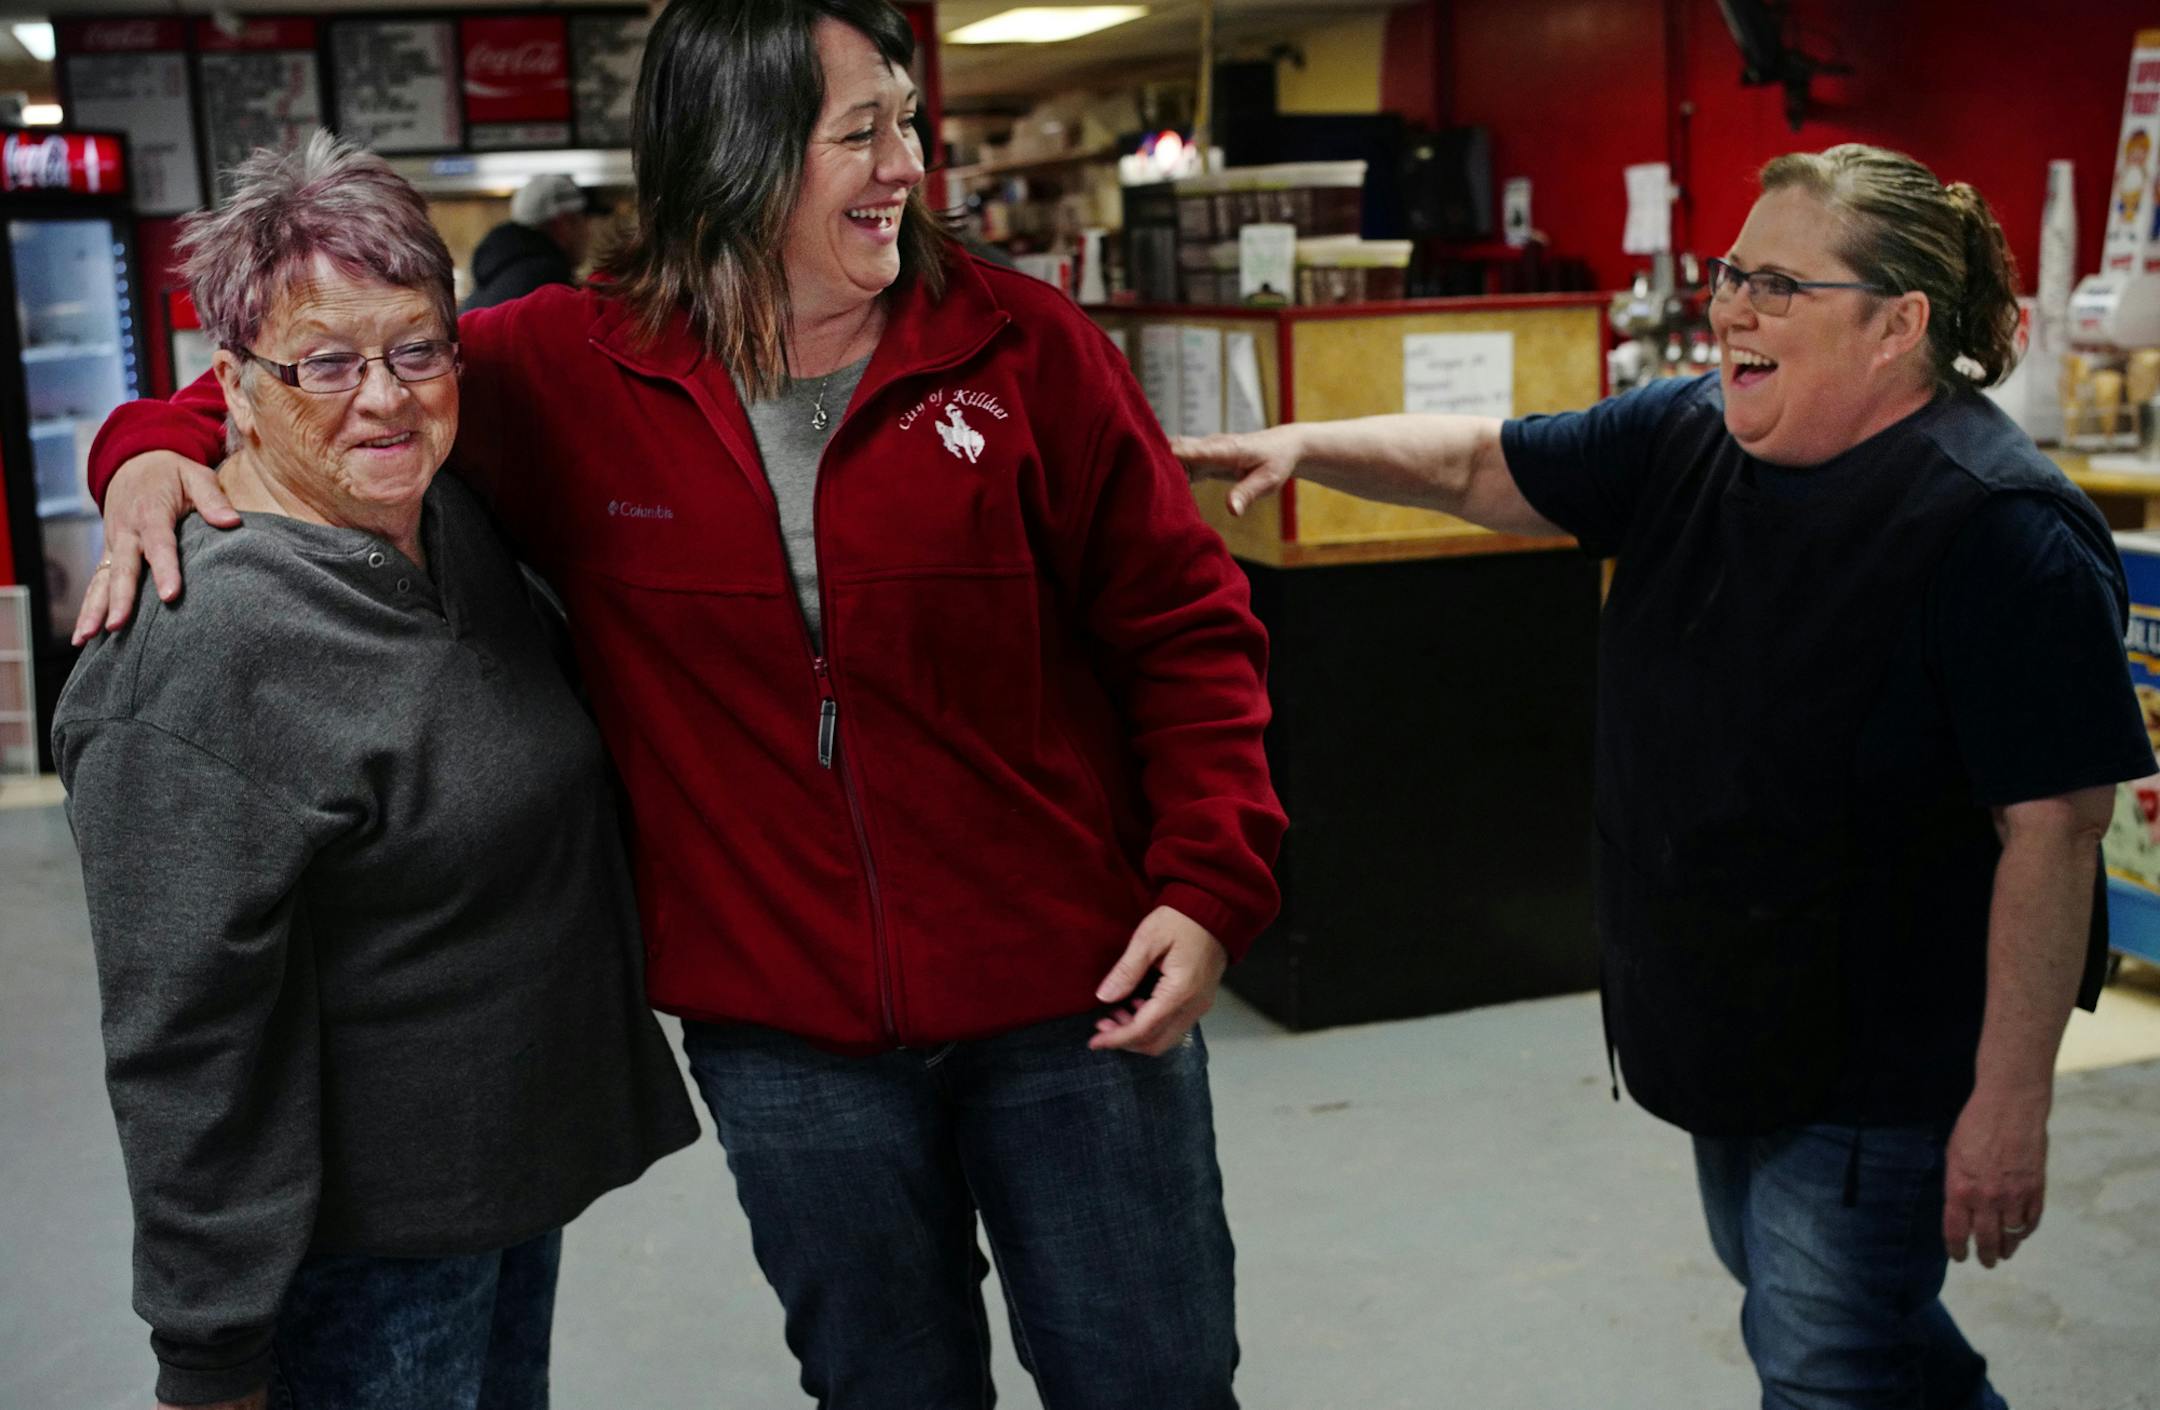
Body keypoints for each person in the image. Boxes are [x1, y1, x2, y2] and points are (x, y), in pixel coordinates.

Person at [79, 1, 1285, 1406]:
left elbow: (1186, 627)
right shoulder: (572, 368)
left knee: (1156, 1379)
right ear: (737, 152)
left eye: (907, 119)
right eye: (861, 131)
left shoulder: (1029, 351)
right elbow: (324, 375)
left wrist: (1210, 880)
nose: (906, 165)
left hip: (1079, 1001)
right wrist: (143, 458)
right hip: (788, 1041)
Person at [1179, 144, 2153, 1410]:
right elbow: (1484, 463)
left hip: (1878, 1057)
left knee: (1823, 1364)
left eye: (1778, 287)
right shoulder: (1689, 435)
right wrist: (1306, 442)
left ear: (1897, 326)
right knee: (1851, 1327)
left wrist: (2009, 1105)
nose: (1730, 309)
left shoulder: (2000, 533)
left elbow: (2056, 833)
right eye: (1730, 273)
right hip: (1722, 1018)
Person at [53, 133, 698, 1410]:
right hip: (361, 1257)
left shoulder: (443, 517)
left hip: (502, 1194)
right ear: (232, 385)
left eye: (416, 349)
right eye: (326, 364)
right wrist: (212, 1346)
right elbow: (187, 1044)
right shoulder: (203, 649)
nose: (385, 397)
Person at [462, 172, 604, 311]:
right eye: (584, 221)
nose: (588, 233)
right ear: (562, 225)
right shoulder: (547, 282)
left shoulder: (493, 276)